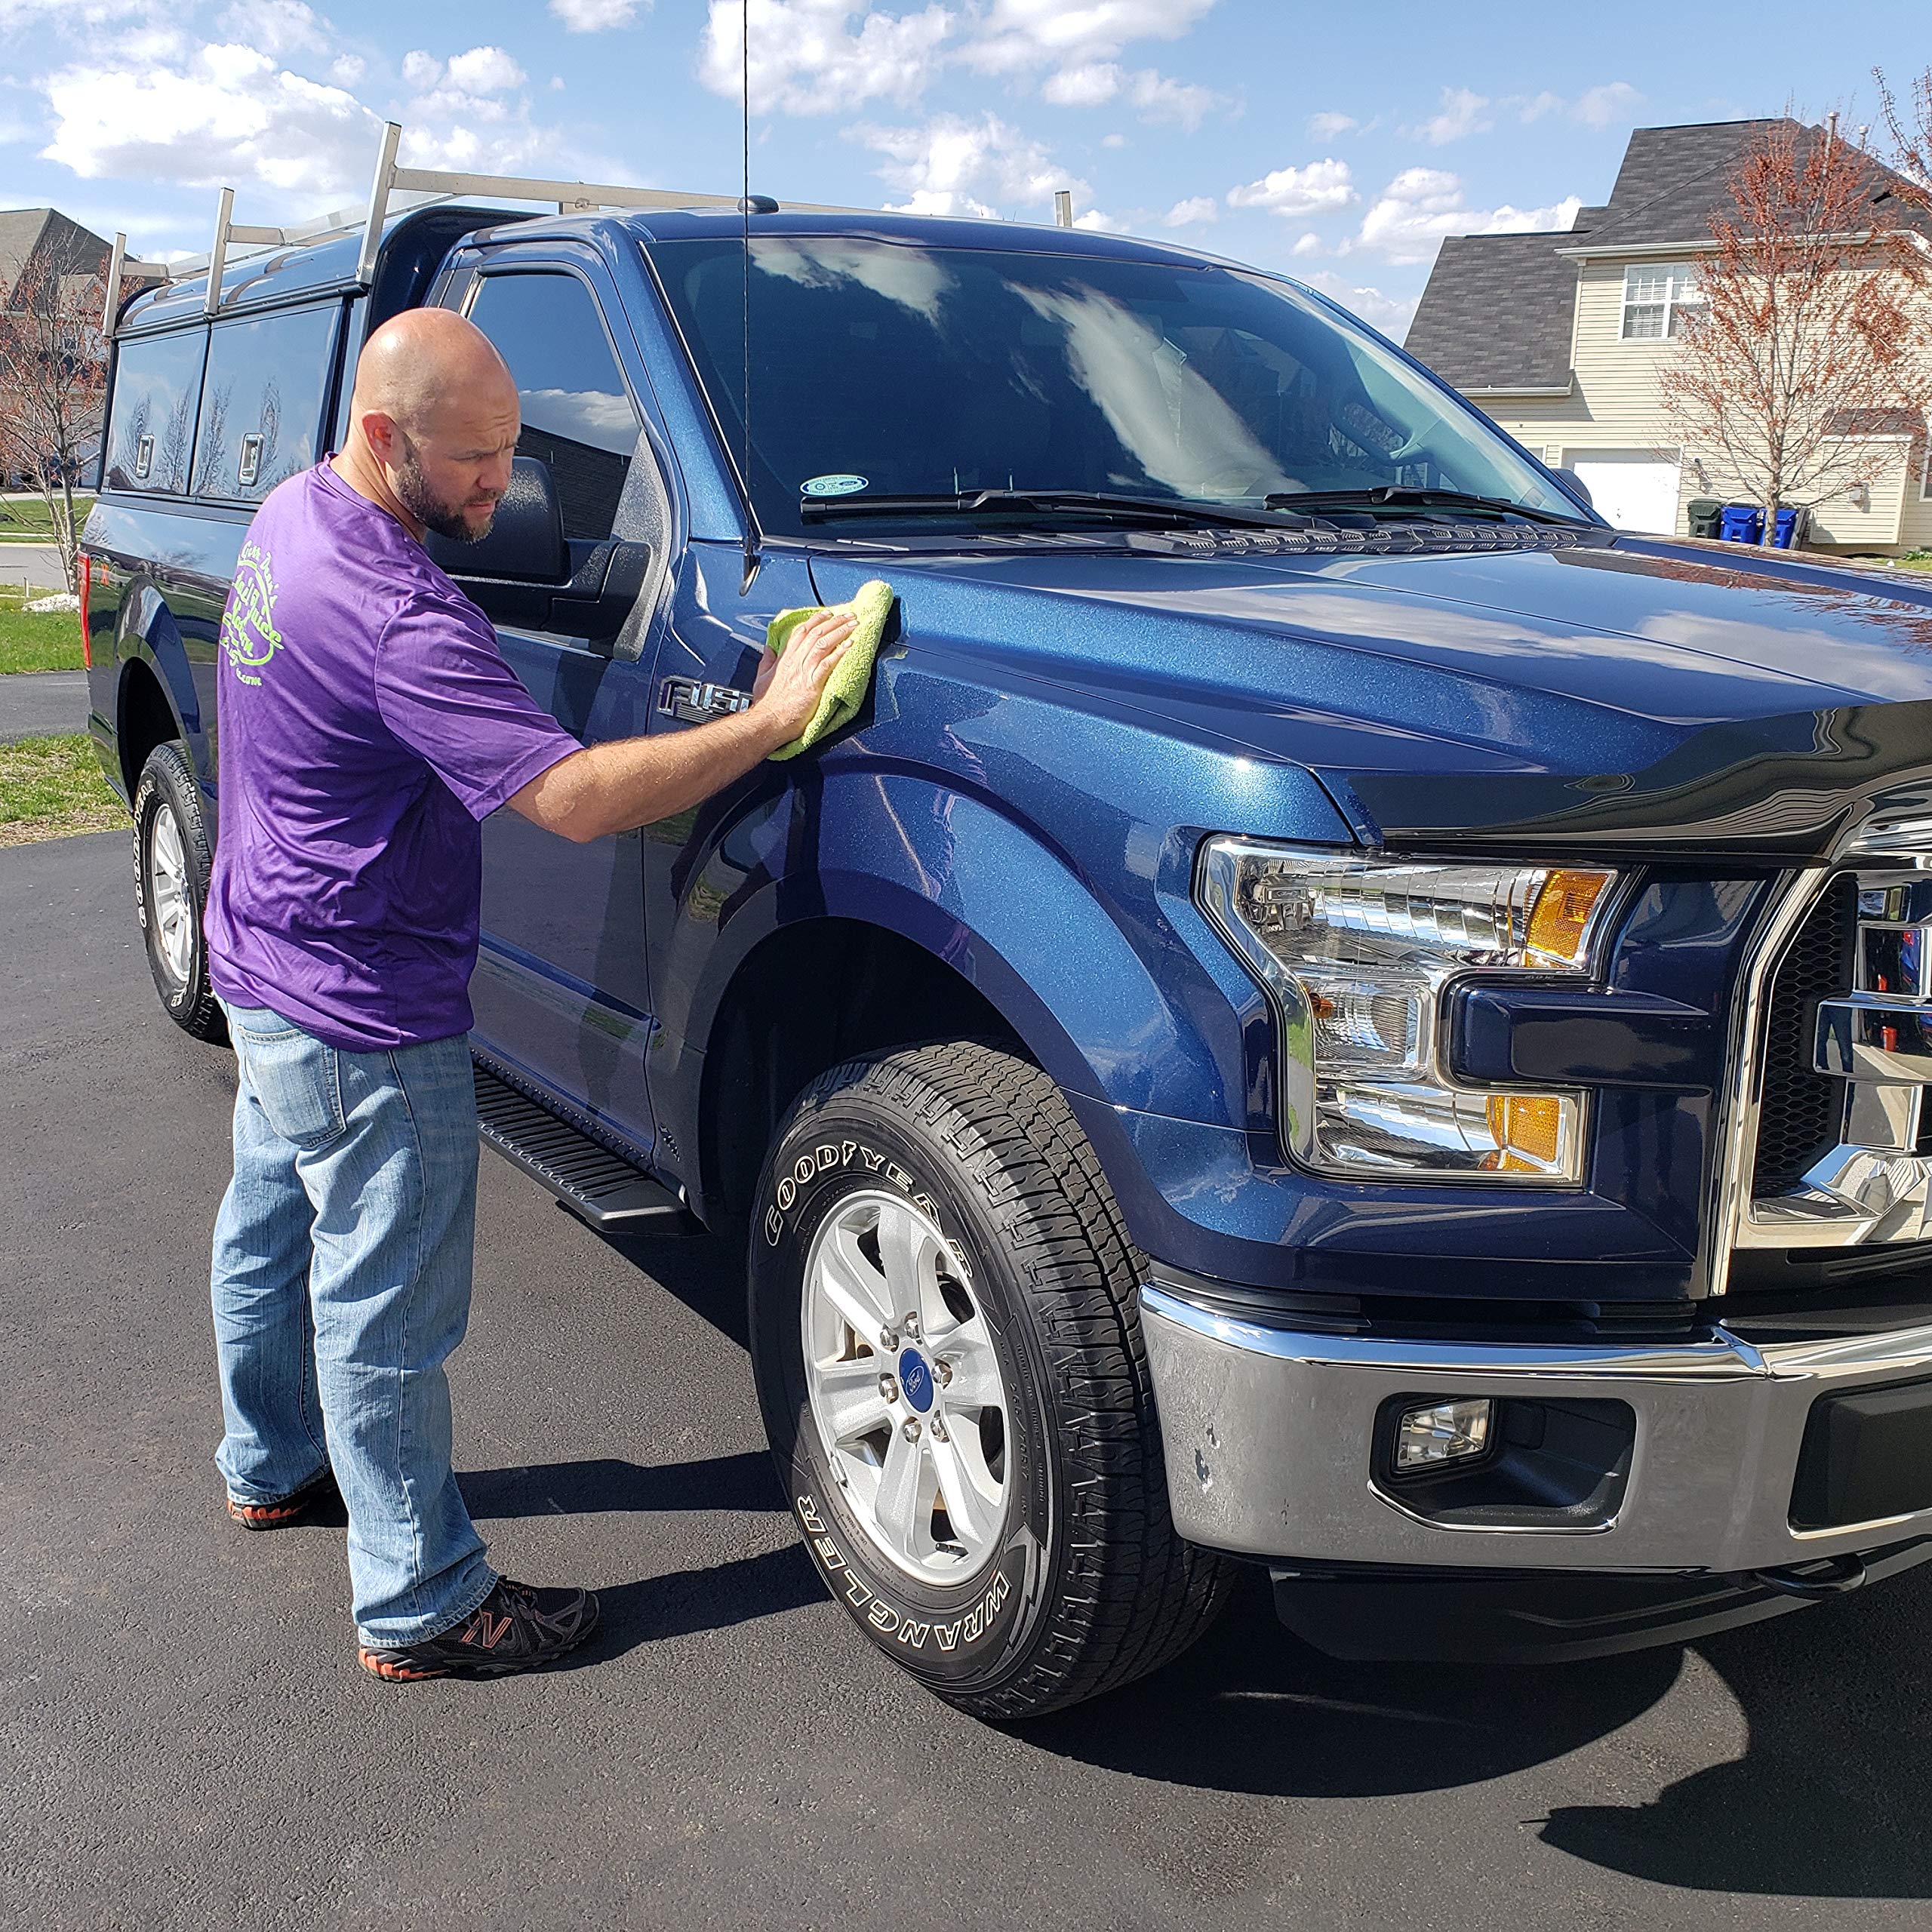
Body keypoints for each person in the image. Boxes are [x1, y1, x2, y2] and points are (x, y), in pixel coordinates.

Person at [202, 307, 852, 1681]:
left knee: (270, 1230)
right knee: (383, 1304)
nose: (507, 487)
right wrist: (768, 722)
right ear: (387, 440)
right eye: (479, 459)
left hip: (264, 951)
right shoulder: (396, 610)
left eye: (515, 450)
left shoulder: (293, 515)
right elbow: (568, 799)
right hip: (364, 1002)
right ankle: (423, 1602)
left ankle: (267, 1463)